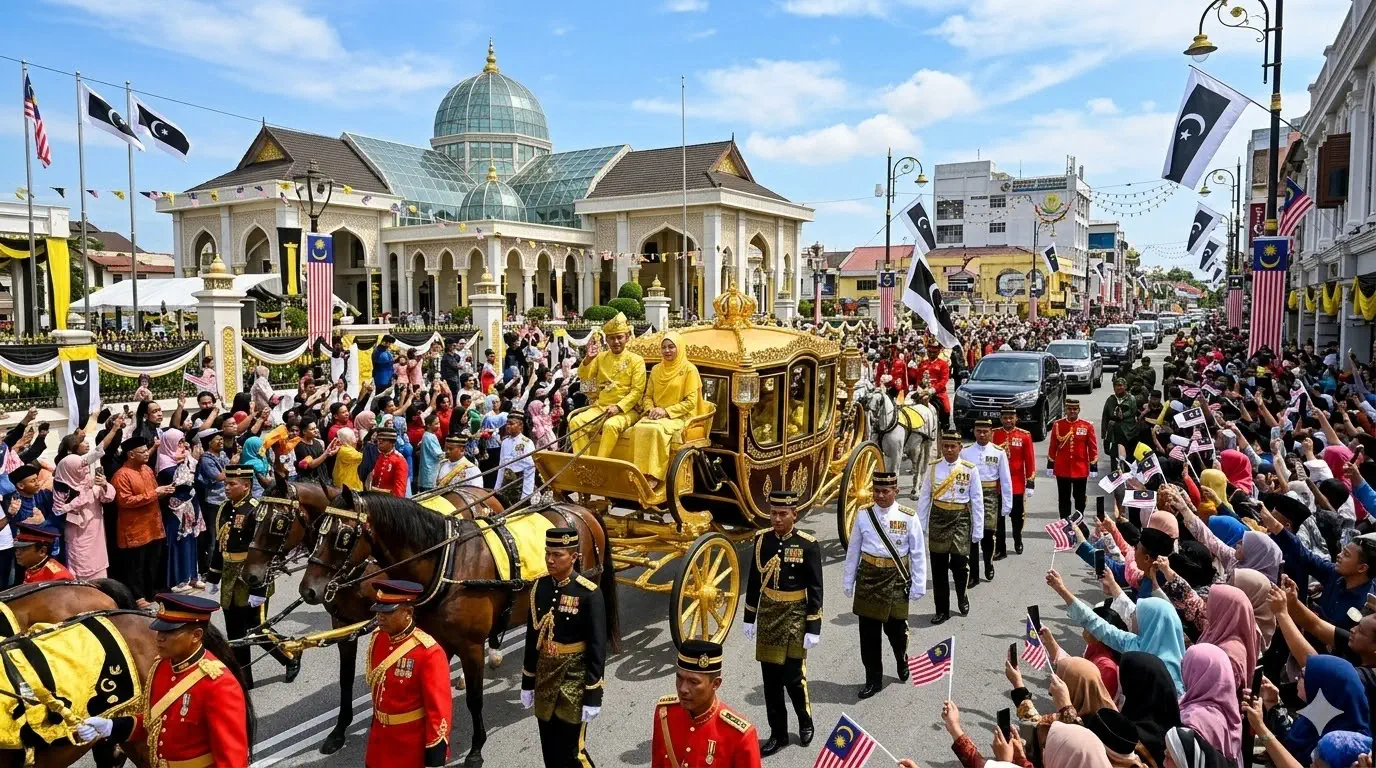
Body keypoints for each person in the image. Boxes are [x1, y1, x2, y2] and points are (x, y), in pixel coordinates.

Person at [76, 593, 250, 768]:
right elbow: (153, 723)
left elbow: (232, 760)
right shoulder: (162, 667)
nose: (159, 637)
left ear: (196, 636)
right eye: (160, 630)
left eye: (170, 632)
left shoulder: (218, 684)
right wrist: (111, 727)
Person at [742, 490, 821, 756]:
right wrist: (749, 617)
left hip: (795, 615)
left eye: (782, 514)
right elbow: (754, 581)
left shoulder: (808, 545)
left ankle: (805, 721)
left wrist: (813, 627)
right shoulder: (761, 540)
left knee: (793, 677)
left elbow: (815, 588)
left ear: (794, 514)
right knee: (771, 680)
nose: (777, 519)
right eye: (773, 513)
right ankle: (778, 734)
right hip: (768, 615)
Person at [205, 465, 300, 688]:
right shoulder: (224, 508)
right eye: (226, 484)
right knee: (235, 632)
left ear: (246, 486)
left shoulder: (257, 511)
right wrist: (213, 576)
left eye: (232, 484)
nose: (226, 488)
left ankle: (289, 655)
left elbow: (265, 553)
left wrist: (259, 590)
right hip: (230, 575)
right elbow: (220, 544)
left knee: (256, 628)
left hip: (253, 575)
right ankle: (244, 680)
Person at [520, 527, 606, 768]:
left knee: (573, 753)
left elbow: (597, 648)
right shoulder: (540, 588)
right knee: (549, 749)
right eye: (548, 553)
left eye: (558, 555)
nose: (550, 560)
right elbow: (532, 638)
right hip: (545, 677)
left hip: (574, 679)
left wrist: (593, 694)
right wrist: (528, 682)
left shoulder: (588, 593)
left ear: (574, 557)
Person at [841, 471, 925, 699]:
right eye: (876, 491)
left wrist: (918, 585)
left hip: (896, 577)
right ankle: (873, 679)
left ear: (896, 491)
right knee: (868, 635)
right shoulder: (864, 515)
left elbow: (918, 553)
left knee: (897, 630)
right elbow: (853, 550)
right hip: (868, 578)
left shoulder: (908, 517)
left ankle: (902, 658)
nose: (880, 496)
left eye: (885, 491)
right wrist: (848, 580)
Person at [364, 579, 453, 768]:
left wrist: (434, 759)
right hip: (379, 742)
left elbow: (438, 711)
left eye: (388, 612)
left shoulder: (429, 653)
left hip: (409, 747)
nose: (380, 617)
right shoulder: (379, 638)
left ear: (408, 613)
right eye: (378, 611)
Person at [651, 639, 762, 768]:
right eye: (679, 678)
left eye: (693, 682)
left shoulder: (739, 735)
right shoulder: (665, 713)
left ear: (716, 684)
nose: (683, 689)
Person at [917, 432, 984, 624]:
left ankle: (962, 596)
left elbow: (977, 500)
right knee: (938, 567)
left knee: (959, 563)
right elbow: (924, 498)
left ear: (960, 447)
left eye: (952, 446)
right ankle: (942, 610)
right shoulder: (933, 468)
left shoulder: (970, 469)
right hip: (938, 518)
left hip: (960, 518)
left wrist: (978, 529)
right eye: (945, 446)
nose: (948, 449)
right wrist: (920, 527)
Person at [625, 331, 702, 489]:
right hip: (655, 415)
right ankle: (638, 473)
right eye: (664, 347)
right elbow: (647, 396)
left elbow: (690, 403)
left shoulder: (689, 370)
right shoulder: (656, 370)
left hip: (679, 417)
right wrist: (651, 409)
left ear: (679, 348)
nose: (667, 351)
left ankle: (654, 475)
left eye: (671, 347)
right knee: (638, 428)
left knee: (656, 431)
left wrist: (666, 412)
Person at [570, 313, 647, 457]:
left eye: (619, 337)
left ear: (627, 337)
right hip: (601, 407)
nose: (616, 341)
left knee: (610, 425)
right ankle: (583, 462)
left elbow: (637, 391)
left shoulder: (636, 360)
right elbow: (586, 384)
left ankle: (600, 463)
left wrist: (618, 407)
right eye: (612, 338)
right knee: (575, 422)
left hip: (628, 410)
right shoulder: (600, 357)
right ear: (606, 339)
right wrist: (588, 360)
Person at [112, 435, 173, 605]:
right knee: (135, 567)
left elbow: (154, 492)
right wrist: (155, 494)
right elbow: (125, 501)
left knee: (151, 564)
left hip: (153, 525)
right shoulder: (121, 475)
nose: (147, 454)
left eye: (147, 450)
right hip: (134, 529)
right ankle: (137, 597)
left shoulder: (147, 469)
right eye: (143, 451)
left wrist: (165, 492)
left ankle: (150, 592)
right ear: (131, 455)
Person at [960, 420, 1012, 586]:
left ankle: (988, 563)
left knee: (988, 533)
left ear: (991, 432)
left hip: (989, 496)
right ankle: (974, 574)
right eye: (978, 431)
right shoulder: (965, 452)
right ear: (974, 432)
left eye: (985, 431)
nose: (982, 434)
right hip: (970, 497)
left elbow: (1005, 479)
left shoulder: (998, 452)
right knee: (972, 536)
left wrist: (1007, 504)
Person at [53, 452, 115, 579]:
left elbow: (108, 498)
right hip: (77, 535)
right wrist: (78, 500)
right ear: (71, 470)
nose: (86, 470)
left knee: (99, 570)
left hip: (96, 534)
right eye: (81, 468)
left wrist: (104, 485)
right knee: (80, 568)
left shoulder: (90, 481)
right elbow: (58, 510)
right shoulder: (61, 487)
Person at [991, 406, 1035, 558]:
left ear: (1016, 418)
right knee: (998, 519)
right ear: (1001, 419)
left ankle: (1018, 539)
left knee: (1017, 517)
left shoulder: (1024, 436)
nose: (1008, 420)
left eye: (1011, 418)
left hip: (1016, 484)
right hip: (998, 485)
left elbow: (1029, 460)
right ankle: (1000, 548)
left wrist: (1030, 482)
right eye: (1005, 418)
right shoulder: (994, 434)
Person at [1047, 398, 1098, 527]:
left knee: (1079, 497)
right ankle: (1065, 524)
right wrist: (1050, 464)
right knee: (1064, 498)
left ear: (1079, 410)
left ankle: (1078, 522)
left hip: (1080, 468)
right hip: (1062, 468)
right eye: (1069, 409)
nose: (1072, 411)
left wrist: (1093, 465)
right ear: (1065, 410)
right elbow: (1053, 445)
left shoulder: (1086, 426)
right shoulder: (1058, 425)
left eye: (1075, 409)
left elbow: (1092, 447)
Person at [498, 411, 536, 509]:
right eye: (507, 423)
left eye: (511, 424)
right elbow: (501, 467)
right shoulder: (505, 442)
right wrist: (497, 489)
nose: (508, 426)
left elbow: (530, 470)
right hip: (506, 485)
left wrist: (526, 496)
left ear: (520, 425)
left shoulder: (527, 443)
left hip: (520, 486)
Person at [916, 343, 952, 429]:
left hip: (938, 392)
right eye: (930, 352)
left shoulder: (943, 364)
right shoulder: (922, 363)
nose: (931, 354)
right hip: (923, 391)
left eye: (934, 352)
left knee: (946, 408)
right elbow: (918, 378)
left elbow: (944, 380)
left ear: (938, 352)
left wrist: (933, 389)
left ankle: (945, 427)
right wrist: (920, 386)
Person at [370, 427, 409, 498]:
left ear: (392, 443)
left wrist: (375, 490)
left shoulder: (400, 461)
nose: (379, 442)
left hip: (390, 501)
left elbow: (399, 492)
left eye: (383, 440)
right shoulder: (378, 456)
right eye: (379, 439)